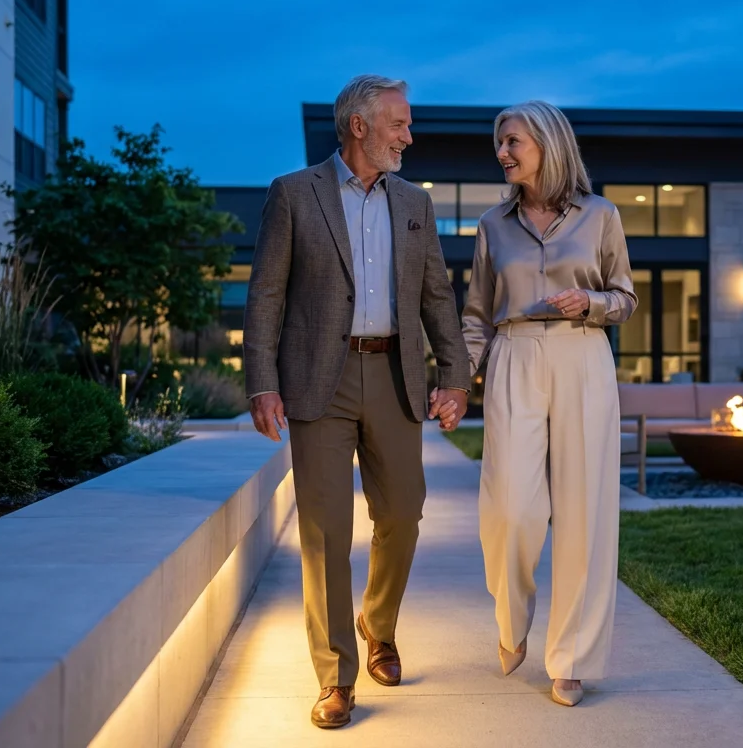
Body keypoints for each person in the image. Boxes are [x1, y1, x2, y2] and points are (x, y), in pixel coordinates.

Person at [244, 74, 471, 729]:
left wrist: (454, 376)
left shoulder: (415, 203)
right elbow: (266, 295)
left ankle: (378, 621)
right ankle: (336, 677)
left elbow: (435, 295)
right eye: (399, 123)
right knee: (323, 532)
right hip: (319, 376)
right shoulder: (293, 194)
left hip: (395, 372)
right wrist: (262, 380)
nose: (409, 134)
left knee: (404, 510)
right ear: (359, 127)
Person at [459, 100, 636, 707]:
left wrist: (591, 304)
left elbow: (626, 297)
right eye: (499, 144)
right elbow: (476, 316)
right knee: (508, 507)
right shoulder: (492, 225)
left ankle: (571, 658)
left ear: (547, 143)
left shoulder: (602, 216)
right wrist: (458, 381)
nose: (502, 153)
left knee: (584, 513)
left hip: (583, 357)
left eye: (512, 142)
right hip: (513, 357)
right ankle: (512, 622)